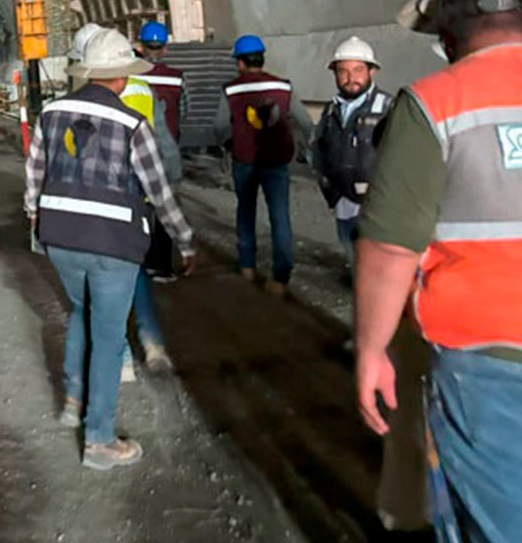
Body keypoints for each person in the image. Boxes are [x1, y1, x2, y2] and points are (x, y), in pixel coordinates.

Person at [355, 0, 522, 543]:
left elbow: (391, 250)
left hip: (488, 365)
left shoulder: (433, 103)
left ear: (446, 31)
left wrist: (372, 349)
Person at [25, 29, 197, 470]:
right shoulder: (131, 124)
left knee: (81, 312)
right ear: (121, 76)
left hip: (60, 236)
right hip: (113, 241)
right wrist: (185, 242)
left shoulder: (51, 113)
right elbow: (158, 192)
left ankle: (72, 400)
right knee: (107, 335)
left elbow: (35, 174)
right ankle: (99, 440)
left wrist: (35, 218)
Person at [73, 24, 180, 378]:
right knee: (133, 272)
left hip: (98, 198)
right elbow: (160, 139)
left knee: (100, 280)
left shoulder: (80, 98)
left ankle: (120, 359)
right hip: (138, 195)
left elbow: (71, 154)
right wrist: (167, 182)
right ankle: (153, 343)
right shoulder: (143, 88)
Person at [214, 35, 314, 294]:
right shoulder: (284, 87)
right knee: (280, 217)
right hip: (277, 162)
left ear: (240, 62)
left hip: (244, 161)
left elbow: (220, 127)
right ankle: (280, 277)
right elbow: (304, 122)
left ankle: (247, 267)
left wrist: (230, 145)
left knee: (245, 213)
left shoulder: (231, 89)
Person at [308, 37, 393, 276]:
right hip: (343, 204)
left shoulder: (388, 108)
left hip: (378, 208)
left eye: (357, 70)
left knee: (381, 271)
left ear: (372, 72)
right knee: (356, 265)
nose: (350, 78)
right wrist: (329, 190)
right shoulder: (331, 109)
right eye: (343, 71)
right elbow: (317, 150)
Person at [133, 21, 187, 284]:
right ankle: (163, 266)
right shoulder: (177, 77)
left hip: (139, 152)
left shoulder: (131, 78)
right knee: (166, 208)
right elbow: (183, 111)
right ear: (165, 49)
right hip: (168, 151)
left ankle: (141, 264)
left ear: (140, 47)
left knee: (141, 210)